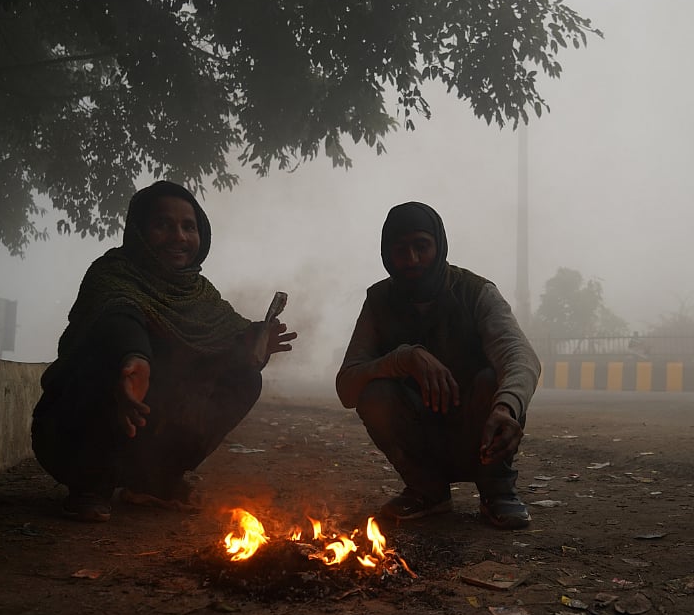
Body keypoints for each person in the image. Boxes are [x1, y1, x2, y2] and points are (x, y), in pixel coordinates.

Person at [32, 181, 297, 522]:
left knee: (245, 378)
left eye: (189, 227)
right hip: (73, 432)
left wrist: (251, 345)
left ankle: (154, 480)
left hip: (149, 435)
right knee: (107, 364)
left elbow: (221, 348)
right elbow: (119, 315)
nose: (179, 237)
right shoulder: (111, 274)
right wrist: (135, 360)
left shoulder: (199, 293)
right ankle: (90, 486)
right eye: (163, 225)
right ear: (139, 232)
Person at [336, 201, 540, 529]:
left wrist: (507, 407)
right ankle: (427, 492)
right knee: (373, 392)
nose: (412, 259)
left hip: (479, 432)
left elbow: (520, 357)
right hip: (418, 438)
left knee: (493, 381)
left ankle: (497, 490)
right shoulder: (378, 302)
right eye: (400, 249)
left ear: (439, 245)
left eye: (421, 246)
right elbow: (347, 386)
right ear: (386, 253)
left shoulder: (476, 292)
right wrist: (403, 359)